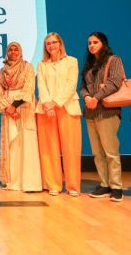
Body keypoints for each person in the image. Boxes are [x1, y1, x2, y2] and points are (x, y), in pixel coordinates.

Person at [80, 32, 125, 202]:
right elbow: (83, 86)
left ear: (103, 43)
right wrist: (86, 97)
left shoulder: (114, 60)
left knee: (110, 151)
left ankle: (117, 187)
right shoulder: (89, 64)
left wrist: (96, 98)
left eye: (95, 42)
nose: (91, 45)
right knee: (97, 152)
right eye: (89, 43)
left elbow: (115, 82)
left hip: (107, 111)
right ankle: (105, 184)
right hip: (90, 113)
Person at [36, 32, 82, 196]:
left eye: (54, 42)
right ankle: (53, 184)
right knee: (49, 149)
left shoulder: (72, 61)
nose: (51, 46)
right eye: (48, 43)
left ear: (60, 43)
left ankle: (73, 186)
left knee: (71, 149)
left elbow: (71, 85)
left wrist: (55, 103)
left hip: (67, 107)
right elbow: (41, 85)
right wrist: (48, 105)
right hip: (46, 110)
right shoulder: (42, 64)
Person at [0, 42, 42, 192]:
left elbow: (29, 88)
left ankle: (29, 182)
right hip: (8, 111)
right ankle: (12, 181)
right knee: (12, 144)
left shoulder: (27, 67)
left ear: (21, 52)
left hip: (24, 108)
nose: (13, 52)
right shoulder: (1, 71)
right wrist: (8, 108)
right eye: (10, 49)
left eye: (16, 49)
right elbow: (0, 93)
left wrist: (15, 106)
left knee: (26, 143)